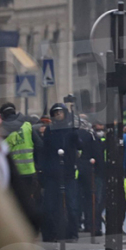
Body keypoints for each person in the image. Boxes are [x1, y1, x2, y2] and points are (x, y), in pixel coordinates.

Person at [40, 103, 82, 242]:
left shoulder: (70, 130)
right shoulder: (50, 130)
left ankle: (72, 233)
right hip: (52, 173)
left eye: (60, 112)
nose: (58, 115)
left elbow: (80, 146)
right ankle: (52, 233)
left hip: (68, 173)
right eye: (55, 113)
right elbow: (45, 150)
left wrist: (76, 135)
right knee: (50, 205)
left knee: (72, 205)